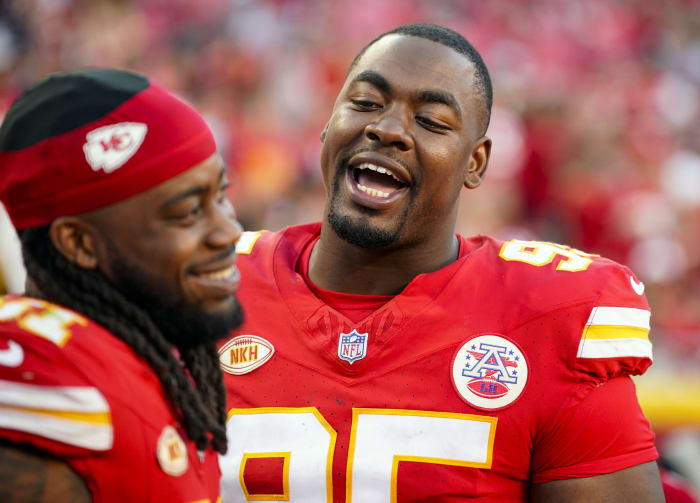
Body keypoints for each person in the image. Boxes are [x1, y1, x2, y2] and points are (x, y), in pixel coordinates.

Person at [218, 23, 665, 502]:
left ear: (475, 163)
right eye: (365, 103)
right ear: (328, 124)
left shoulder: (548, 319)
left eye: (431, 121)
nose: (387, 129)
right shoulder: (209, 288)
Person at [0, 68, 243, 502]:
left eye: (220, 196)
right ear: (78, 243)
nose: (228, 231)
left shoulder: (152, 360)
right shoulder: (51, 376)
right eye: (188, 212)